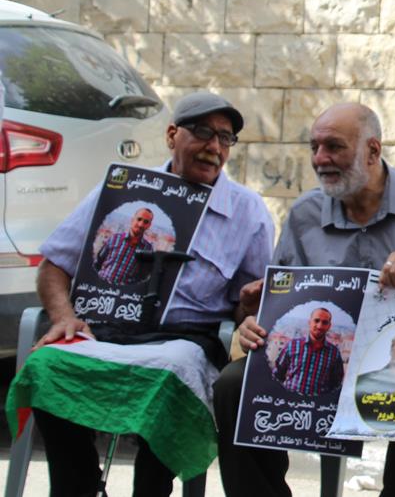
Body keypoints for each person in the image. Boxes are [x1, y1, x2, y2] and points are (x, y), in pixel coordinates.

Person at [213, 102, 395, 497]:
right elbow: (282, 301)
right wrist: (253, 319)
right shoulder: (306, 213)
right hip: (325, 366)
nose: (320, 159)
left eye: (334, 147)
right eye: (314, 147)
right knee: (234, 385)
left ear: (372, 150)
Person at [26, 92, 274, 496]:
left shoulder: (249, 211)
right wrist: (63, 317)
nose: (214, 147)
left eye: (225, 138)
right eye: (203, 132)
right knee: (47, 364)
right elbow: (54, 264)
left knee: (171, 374)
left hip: (183, 341)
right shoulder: (122, 188)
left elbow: (247, 310)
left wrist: (248, 305)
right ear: (172, 135)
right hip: (104, 327)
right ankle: (78, 484)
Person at [271, 307, 344, 396]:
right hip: (289, 399)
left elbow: (336, 383)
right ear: (309, 322)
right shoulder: (293, 345)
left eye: (324, 322)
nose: (320, 326)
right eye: (316, 321)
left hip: (317, 403)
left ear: (329, 326)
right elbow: (277, 374)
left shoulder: (334, 353)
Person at [94, 207, 154, 285]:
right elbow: (98, 262)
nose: (141, 224)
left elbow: (142, 276)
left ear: (149, 225)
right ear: (132, 220)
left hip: (123, 290)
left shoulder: (147, 249)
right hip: (100, 285)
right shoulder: (115, 238)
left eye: (146, 222)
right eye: (139, 219)